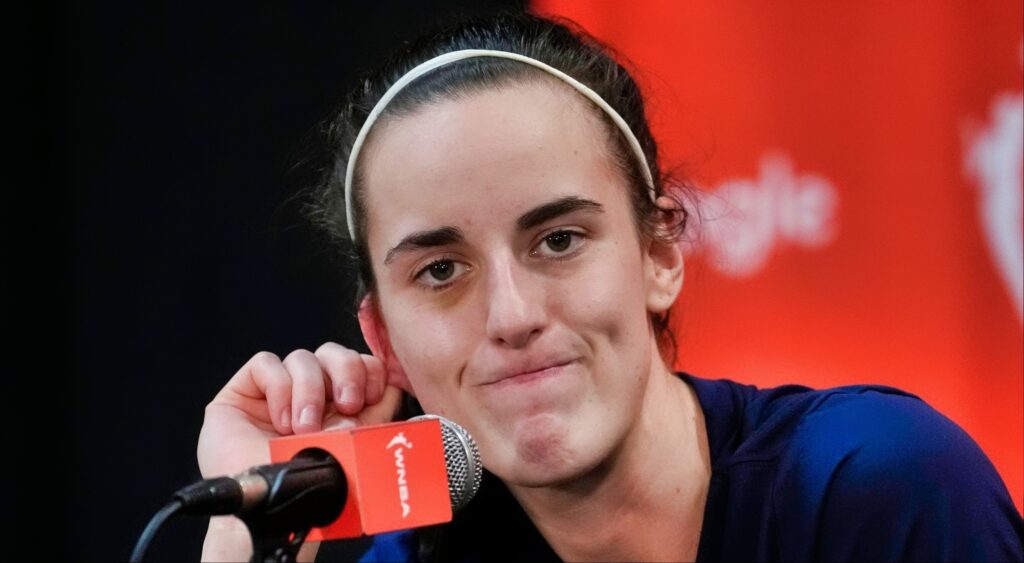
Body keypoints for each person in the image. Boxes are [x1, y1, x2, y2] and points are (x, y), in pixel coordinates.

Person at [197, 12, 1024, 562]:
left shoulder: (879, 489)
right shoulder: (421, 552)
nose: (512, 315)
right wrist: (258, 528)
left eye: (558, 240)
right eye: (441, 270)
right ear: (384, 341)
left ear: (660, 253)